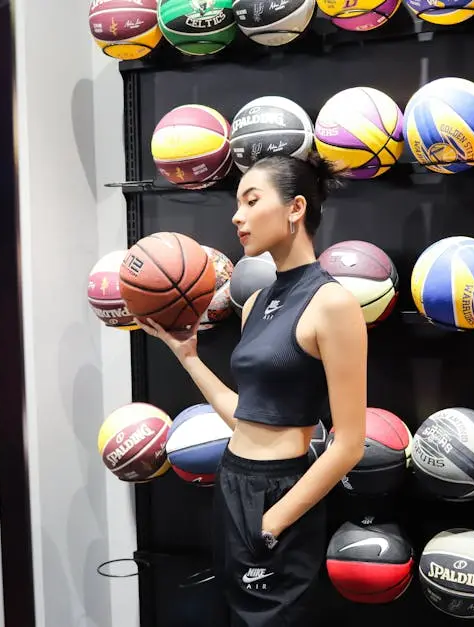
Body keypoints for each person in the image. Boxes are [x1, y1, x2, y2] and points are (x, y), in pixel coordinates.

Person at [137, 151, 368, 627]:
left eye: (251, 200)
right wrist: (189, 357)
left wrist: (275, 520)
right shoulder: (256, 301)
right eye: (236, 203)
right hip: (232, 482)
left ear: (295, 208)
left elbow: (347, 444)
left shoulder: (333, 304)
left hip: (279, 493)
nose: (237, 216)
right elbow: (248, 416)